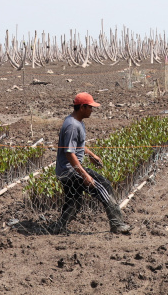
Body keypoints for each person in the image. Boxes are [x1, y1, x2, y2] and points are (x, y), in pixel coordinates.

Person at [50, 92, 131, 235]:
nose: (92, 110)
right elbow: (69, 153)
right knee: (104, 187)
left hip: (65, 170)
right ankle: (117, 224)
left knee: (73, 201)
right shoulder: (72, 126)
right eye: (90, 107)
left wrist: (91, 154)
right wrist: (85, 175)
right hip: (70, 171)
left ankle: (59, 227)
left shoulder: (75, 122)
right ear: (82, 107)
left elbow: (77, 146)